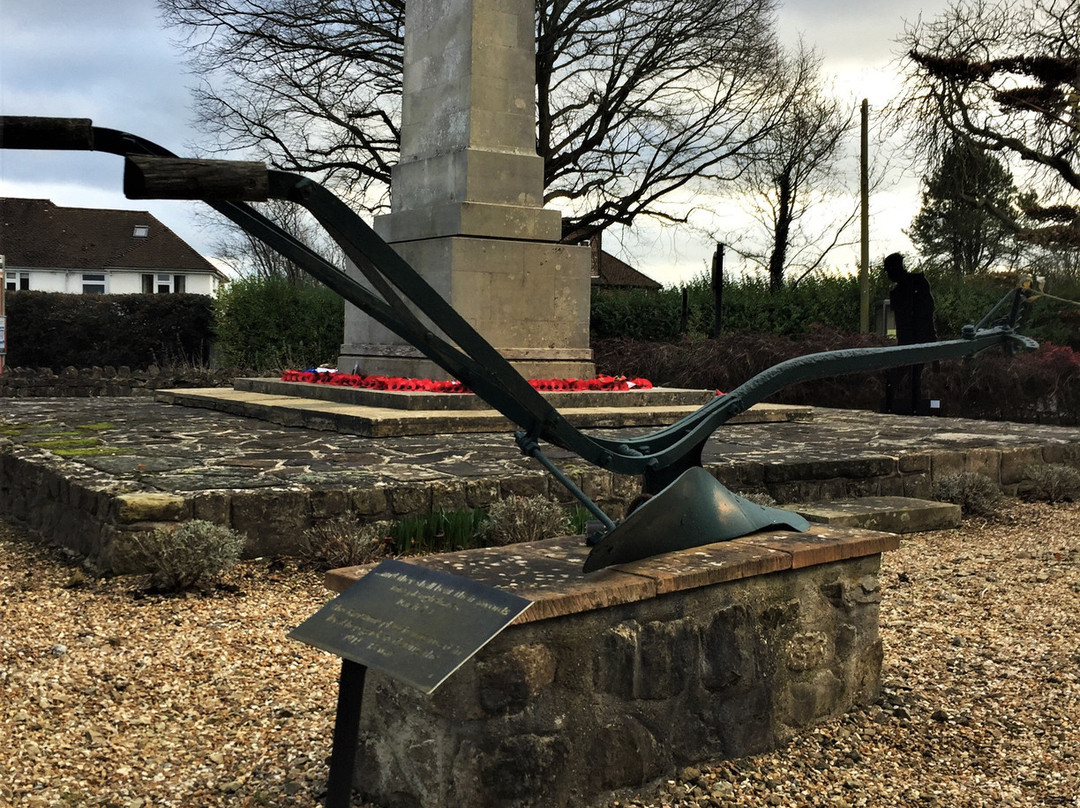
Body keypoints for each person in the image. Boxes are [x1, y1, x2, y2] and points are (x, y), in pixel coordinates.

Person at [883, 253, 936, 414]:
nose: (888, 275)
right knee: (906, 376)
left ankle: (907, 405)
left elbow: (926, 314)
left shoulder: (916, 284)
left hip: (917, 339)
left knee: (911, 376)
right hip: (910, 340)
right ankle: (898, 404)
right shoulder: (903, 289)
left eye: (889, 271)